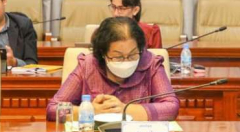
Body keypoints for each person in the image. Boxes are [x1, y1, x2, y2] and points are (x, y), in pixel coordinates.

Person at [47, 17, 178, 121]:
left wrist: (124, 109)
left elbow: (171, 107)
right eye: (118, 57)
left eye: (132, 54)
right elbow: (53, 110)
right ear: (103, 54)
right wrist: (90, 111)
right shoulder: (88, 65)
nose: (126, 61)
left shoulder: (151, 64)